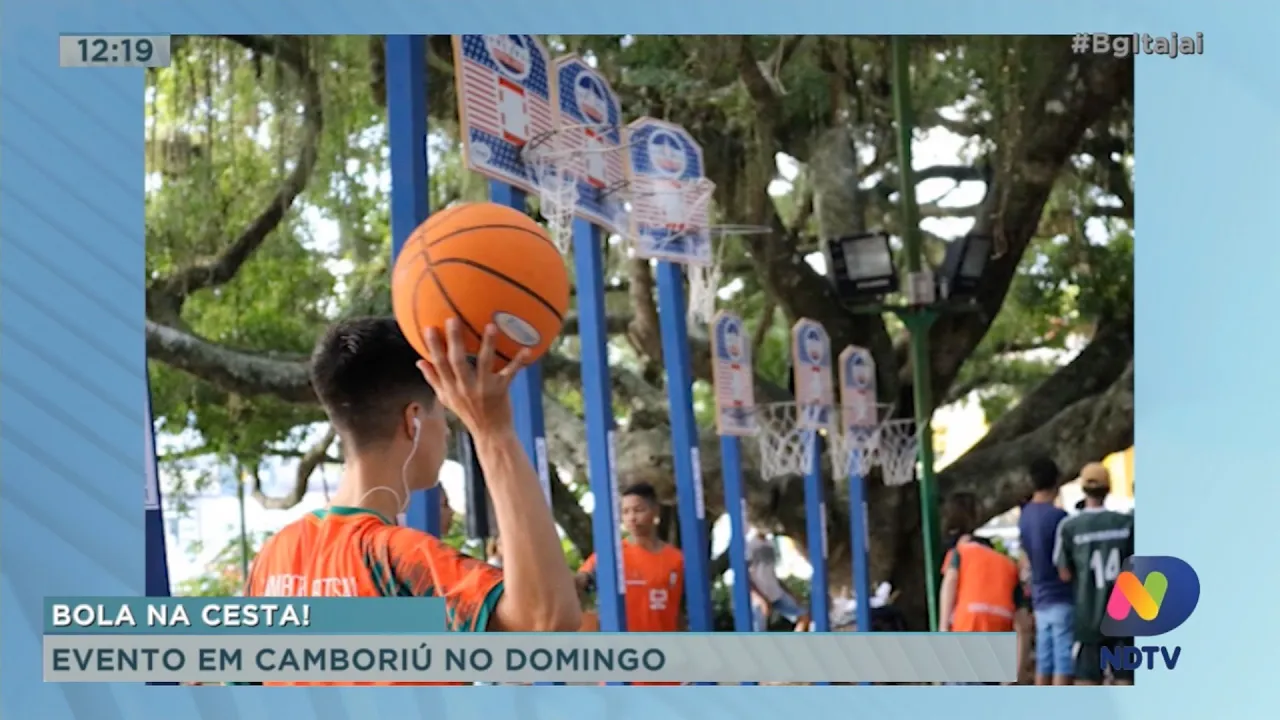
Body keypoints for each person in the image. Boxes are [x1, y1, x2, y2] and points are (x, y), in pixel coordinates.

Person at [242, 317, 581, 685]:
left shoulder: (272, 559)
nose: (447, 428)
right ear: (413, 421)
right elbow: (545, 622)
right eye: (443, 413)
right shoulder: (394, 561)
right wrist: (492, 431)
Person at [577, 481, 683, 685]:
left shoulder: (676, 559)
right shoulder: (611, 555)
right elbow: (581, 582)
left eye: (638, 510)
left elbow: (677, 612)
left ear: (655, 511)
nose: (631, 518)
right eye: (625, 512)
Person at [1055, 462, 1135, 686]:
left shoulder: (1070, 526)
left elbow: (1064, 573)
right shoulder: (1126, 523)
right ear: (1108, 488)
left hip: (1088, 616)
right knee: (1124, 679)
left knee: (1087, 683)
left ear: (1083, 489)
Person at [1017, 457, 1075, 686]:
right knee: (1063, 658)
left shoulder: (1025, 516)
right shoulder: (1059, 518)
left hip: (1039, 595)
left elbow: (1024, 557)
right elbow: (1066, 561)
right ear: (1056, 481)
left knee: (1044, 657)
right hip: (1061, 593)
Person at [938, 492, 1022, 635]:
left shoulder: (959, 553)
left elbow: (950, 580)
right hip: (1002, 615)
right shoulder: (1004, 561)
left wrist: (943, 626)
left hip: (970, 617)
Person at [746, 527, 810, 632]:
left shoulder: (770, 543)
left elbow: (772, 572)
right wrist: (760, 598)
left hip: (775, 592)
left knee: (803, 615)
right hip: (758, 597)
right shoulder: (749, 544)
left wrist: (790, 593)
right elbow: (743, 577)